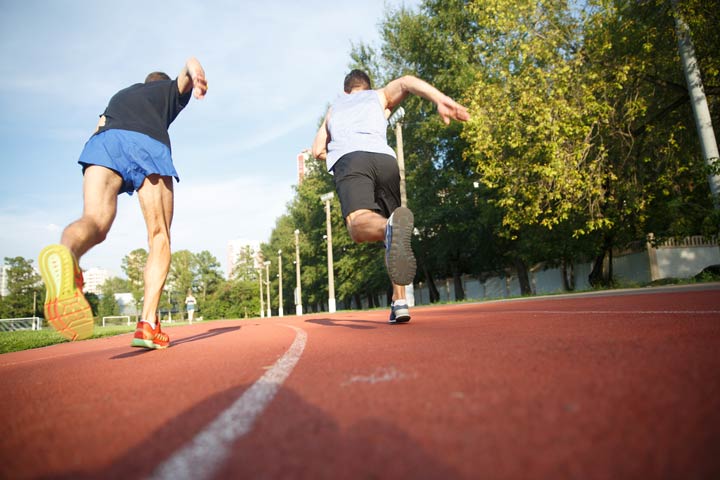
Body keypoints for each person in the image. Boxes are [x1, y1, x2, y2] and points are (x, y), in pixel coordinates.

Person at [38, 57, 208, 349]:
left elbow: (98, 126)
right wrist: (194, 71)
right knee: (159, 237)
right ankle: (147, 323)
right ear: (161, 83)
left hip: (103, 141)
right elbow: (186, 71)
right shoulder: (165, 90)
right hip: (146, 144)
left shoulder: (120, 95)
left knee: (95, 221)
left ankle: (68, 256)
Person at [312, 70, 469, 324]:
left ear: (346, 91)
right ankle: (400, 303)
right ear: (367, 86)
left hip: (352, 160)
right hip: (386, 161)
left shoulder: (335, 108)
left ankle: (389, 227)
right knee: (393, 240)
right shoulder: (378, 97)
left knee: (359, 225)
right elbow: (406, 81)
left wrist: (336, 150)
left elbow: (317, 149)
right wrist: (440, 99)